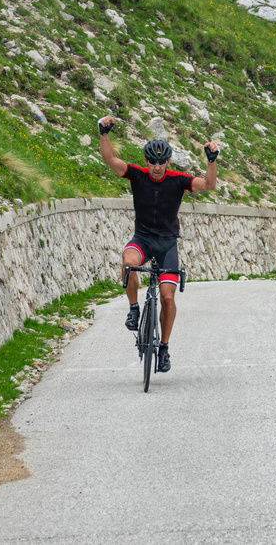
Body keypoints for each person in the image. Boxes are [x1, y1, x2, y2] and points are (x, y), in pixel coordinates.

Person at [97, 115, 218, 372]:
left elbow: (209, 184)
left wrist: (211, 161)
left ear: (168, 162)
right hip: (142, 240)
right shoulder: (137, 175)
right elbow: (110, 159)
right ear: (146, 161)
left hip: (166, 245)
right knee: (128, 263)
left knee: (167, 298)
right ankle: (133, 309)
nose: (157, 166)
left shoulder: (178, 181)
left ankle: (163, 348)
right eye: (152, 162)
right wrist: (103, 133)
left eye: (162, 162)